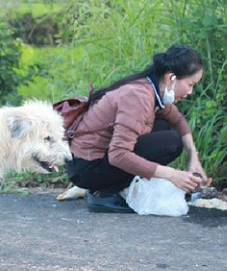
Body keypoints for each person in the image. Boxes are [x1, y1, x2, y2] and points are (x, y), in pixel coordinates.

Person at [64, 44, 208, 213]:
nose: (190, 91)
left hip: (90, 160)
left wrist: (193, 157)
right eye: (190, 84)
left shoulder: (153, 89)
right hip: (86, 168)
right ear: (171, 79)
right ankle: (103, 193)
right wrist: (172, 174)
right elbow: (118, 155)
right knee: (171, 142)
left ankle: (109, 186)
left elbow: (178, 120)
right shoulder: (138, 97)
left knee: (164, 126)